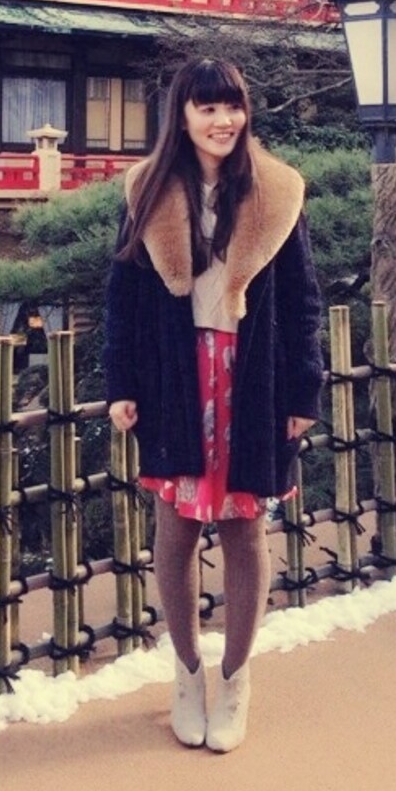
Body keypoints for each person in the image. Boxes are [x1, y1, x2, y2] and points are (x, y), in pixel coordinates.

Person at [103, 57, 323, 753]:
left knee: (244, 530)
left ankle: (234, 679)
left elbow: (304, 301)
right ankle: (187, 671)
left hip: (252, 377)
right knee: (176, 529)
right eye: (208, 107)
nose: (223, 120)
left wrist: (303, 391)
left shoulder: (277, 193)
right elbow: (121, 299)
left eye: (233, 106)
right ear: (183, 114)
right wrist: (121, 384)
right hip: (176, 374)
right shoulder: (147, 191)